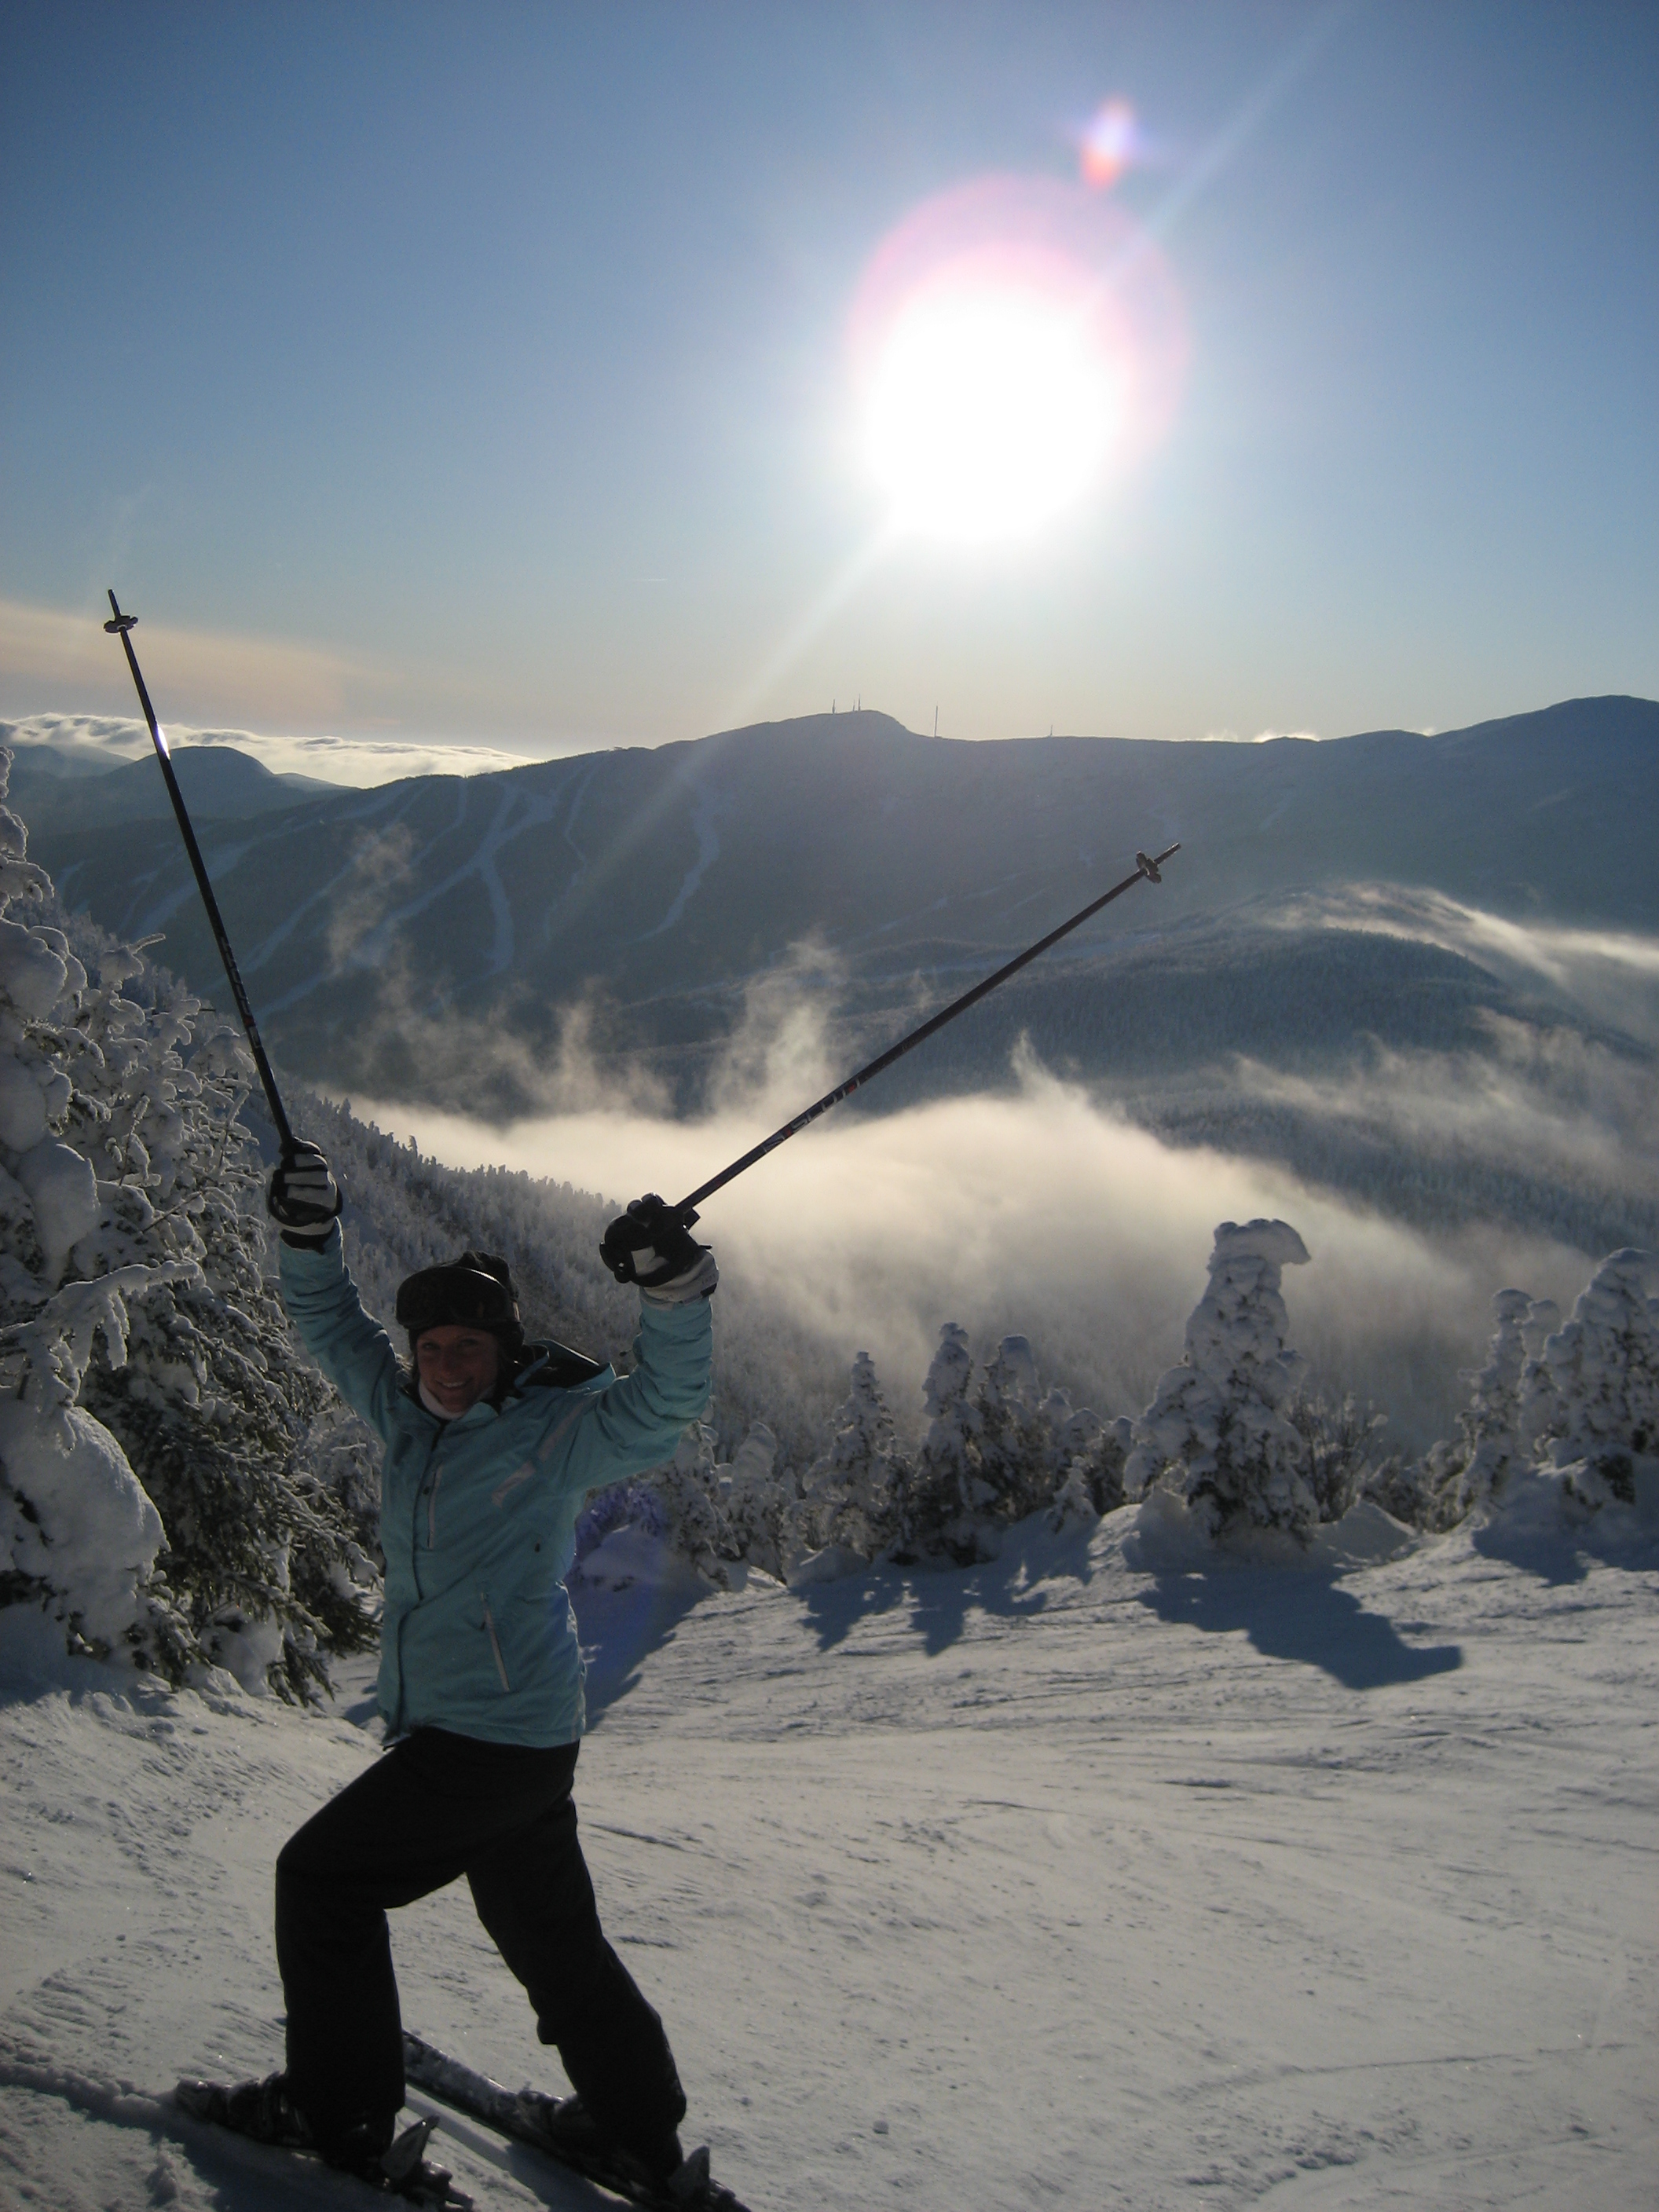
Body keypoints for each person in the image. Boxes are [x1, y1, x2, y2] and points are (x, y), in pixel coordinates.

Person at [225, 1139, 717, 2196]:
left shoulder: (551, 1435)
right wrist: (309, 1237)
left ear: (504, 1352)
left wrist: (673, 1292)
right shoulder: (407, 1416)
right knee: (556, 1949)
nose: (449, 1365)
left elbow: (661, 1407)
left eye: (471, 1349)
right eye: (433, 1347)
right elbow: (331, 1329)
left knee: (322, 1882)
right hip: (520, 1741)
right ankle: (637, 2134)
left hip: (488, 1741)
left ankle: (340, 2114)